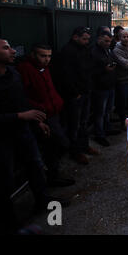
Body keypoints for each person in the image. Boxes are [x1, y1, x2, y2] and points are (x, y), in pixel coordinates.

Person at [0, 37, 68, 234]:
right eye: (6, 48)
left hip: (23, 132)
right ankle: (9, 225)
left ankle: (42, 201)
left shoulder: (12, 74)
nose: (12, 51)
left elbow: (22, 103)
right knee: (2, 185)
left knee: (36, 166)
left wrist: (36, 120)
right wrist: (20, 116)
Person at [16, 43, 74, 187]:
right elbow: (22, 96)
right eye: (43, 56)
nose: (47, 59)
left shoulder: (45, 68)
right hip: (43, 115)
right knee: (57, 144)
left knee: (54, 147)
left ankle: (53, 174)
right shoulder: (25, 69)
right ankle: (50, 175)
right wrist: (38, 112)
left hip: (54, 112)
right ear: (33, 55)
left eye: (49, 56)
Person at [53, 26, 99, 165]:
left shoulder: (84, 49)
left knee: (83, 122)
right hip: (75, 95)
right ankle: (75, 152)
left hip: (85, 91)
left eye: (88, 39)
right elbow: (66, 75)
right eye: (84, 39)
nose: (86, 41)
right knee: (74, 125)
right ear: (75, 37)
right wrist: (75, 93)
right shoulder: (67, 52)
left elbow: (88, 69)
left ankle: (84, 146)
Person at [91, 30, 119, 147]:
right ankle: (99, 135)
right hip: (100, 88)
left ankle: (106, 129)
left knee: (107, 110)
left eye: (110, 41)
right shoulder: (93, 52)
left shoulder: (107, 50)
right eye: (106, 41)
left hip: (110, 86)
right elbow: (91, 71)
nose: (108, 43)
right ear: (99, 39)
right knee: (100, 113)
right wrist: (104, 70)